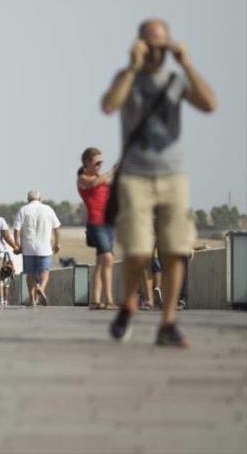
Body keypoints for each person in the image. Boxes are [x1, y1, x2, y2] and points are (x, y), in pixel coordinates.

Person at [101, 18, 216, 347]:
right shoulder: (127, 79)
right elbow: (109, 105)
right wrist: (132, 66)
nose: (155, 51)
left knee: (176, 250)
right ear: (139, 44)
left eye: (160, 44)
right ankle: (128, 303)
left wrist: (187, 64)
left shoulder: (176, 80)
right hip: (135, 176)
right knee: (138, 252)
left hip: (172, 176)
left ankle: (168, 323)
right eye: (149, 44)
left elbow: (209, 104)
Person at [77, 147, 118, 310]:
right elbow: (93, 183)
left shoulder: (101, 179)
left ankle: (95, 300)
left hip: (108, 224)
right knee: (108, 258)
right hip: (95, 223)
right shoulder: (82, 179)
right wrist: (111, 171)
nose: (100, 165)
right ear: (86, 162)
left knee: (101, 262)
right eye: (97, 162)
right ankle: (109, 300)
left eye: (102, 163)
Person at [12, 190, 61, 307]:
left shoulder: (23, 210)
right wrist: (57, 243)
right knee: (45, 271)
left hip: (28, 248)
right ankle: (41, 288)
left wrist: (17, 244)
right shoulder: (48, 209)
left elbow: (16, 229)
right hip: (44, 248)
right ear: (40, 198)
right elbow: (56, 228)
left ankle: (32, 300)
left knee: (30, 274)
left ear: (28, 199)